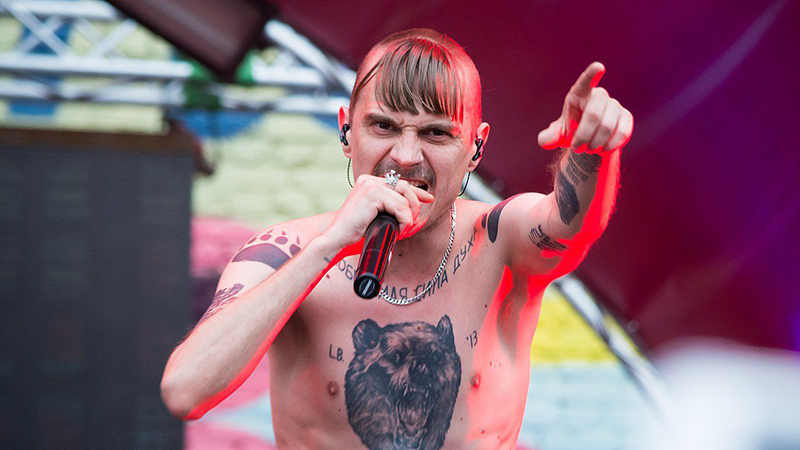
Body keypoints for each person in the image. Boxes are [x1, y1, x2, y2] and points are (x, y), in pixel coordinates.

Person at [160, 28, 633, 449]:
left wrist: (591, 151)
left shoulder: (498, 240)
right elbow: (186, 391)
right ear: (346, 131)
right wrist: (328, 248)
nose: (406, 156)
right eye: (383, 126)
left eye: (436, 134)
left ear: (476, 147)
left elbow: (568, 224)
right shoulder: (287, 250)